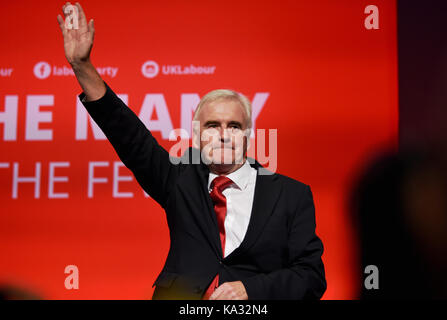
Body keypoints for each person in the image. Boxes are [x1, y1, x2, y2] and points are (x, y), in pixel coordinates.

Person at [57, 2, 326, 300]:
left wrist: (251, 289)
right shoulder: (179, 179)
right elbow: (128, 136)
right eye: (212, 125)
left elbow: (311, 276)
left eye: (234, 126)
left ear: (248, 135)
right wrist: (82, 66)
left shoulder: (291, 195)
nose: (224, 135)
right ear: (197, 136)